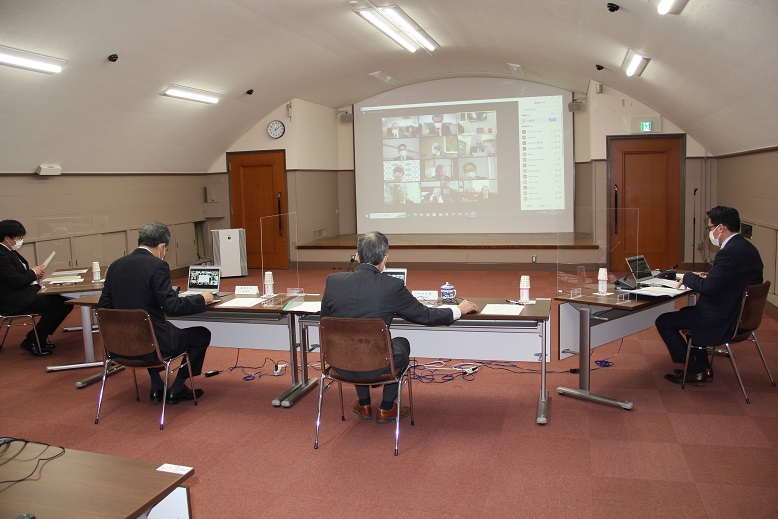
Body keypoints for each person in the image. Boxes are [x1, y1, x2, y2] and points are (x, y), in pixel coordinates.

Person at [321, 231, 478, 423]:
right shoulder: (392, 286)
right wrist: (458, 310)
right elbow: (425, 315)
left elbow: (325, 319)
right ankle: (386, 408)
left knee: (353, 342)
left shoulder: (333, 282)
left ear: (358, 256)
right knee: (400, 343)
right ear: (385, 257)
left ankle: (364, 404)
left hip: (340, 363)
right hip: (378, 366)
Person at [98, 222, 214, 404]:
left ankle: (157, 385)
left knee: (148, 332)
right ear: (161, 247)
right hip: (153, 344)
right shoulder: (157, 265)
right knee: (201, 335)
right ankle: (177, 388)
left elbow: (104, 306)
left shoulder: (115, 265)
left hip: (121, 345)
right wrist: (201, 298)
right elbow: (172, 307)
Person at [656, 206, 763, 385]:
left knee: (664, 321)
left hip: (722, 318)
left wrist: (689, 277)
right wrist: (710, 277)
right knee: (687, 313)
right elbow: (732, 279)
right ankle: (704, 368)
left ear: (721, 228)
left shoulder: (728, 253)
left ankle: (693, 370)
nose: (710, 233)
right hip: (740, 316)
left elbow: (710, 288)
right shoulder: (748, 249)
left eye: (710, 228)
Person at [0, 219, 73, 356]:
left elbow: (19, 275)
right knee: (60, 305)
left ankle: (39, 337)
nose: (20, 241)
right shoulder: (2, 254)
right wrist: (33, 273)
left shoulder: (8, 251)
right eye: (18, 238)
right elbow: (15, 280)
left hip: (24, 293)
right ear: (7, 238)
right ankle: (33, 340)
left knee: (63, 301)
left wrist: (34, 276)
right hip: (14, 299)